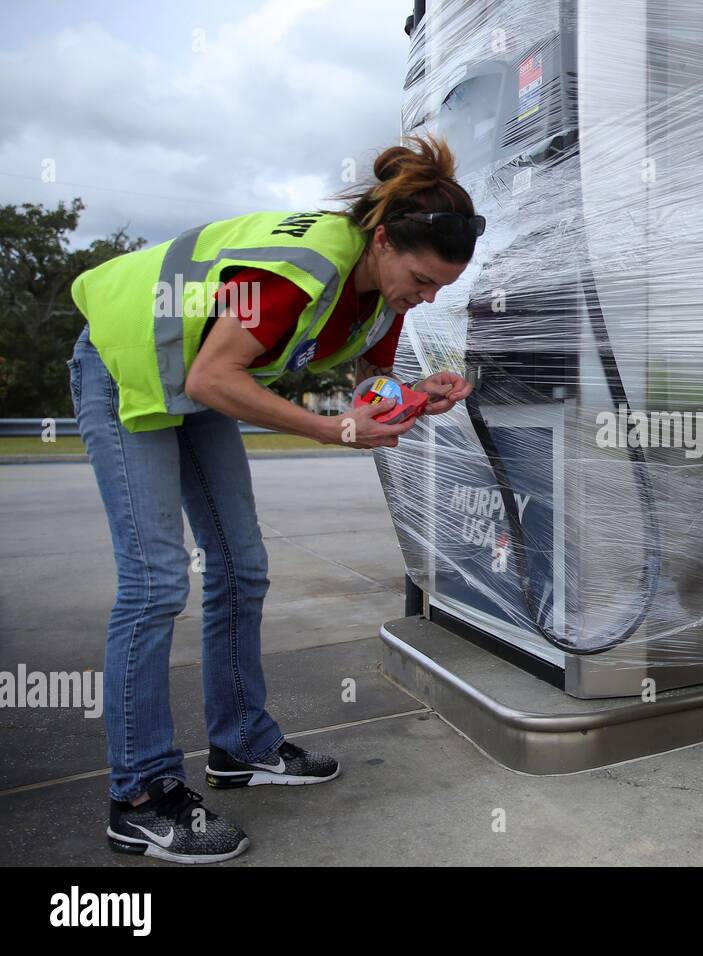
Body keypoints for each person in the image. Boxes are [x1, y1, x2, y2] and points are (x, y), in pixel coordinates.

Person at [66, 134, 478, 863]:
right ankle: (138, 798)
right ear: (380, 241)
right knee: (158, 581)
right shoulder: (304, 270)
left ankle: (242, 747)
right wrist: (329, 431)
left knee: (241, 565)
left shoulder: (384, 297)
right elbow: (213, 380)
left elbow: (367, 396)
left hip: (190, 382)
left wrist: (416, 397)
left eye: (441, 288)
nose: (428, 296)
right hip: (125, 366)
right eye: (421, 278)